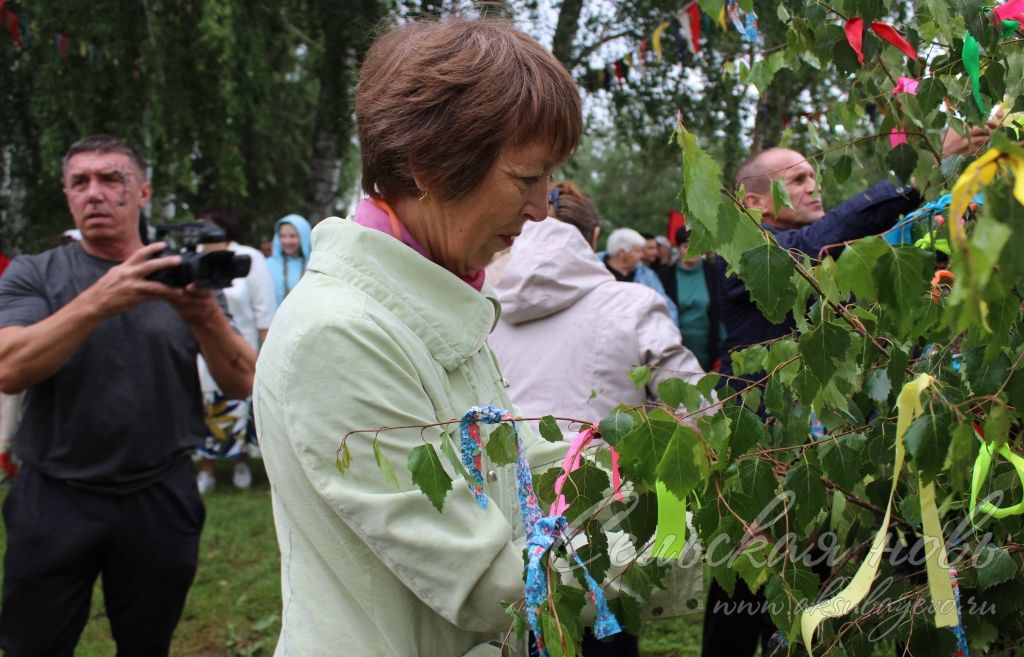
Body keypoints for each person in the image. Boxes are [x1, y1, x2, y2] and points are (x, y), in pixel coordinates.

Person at [253, 17, 581, 657]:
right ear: (428, 166)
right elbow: (490, 586)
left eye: (551, 180)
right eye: (525, 179)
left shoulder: (429, 297)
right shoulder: (341, 336)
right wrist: (671, 530)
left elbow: (501, 465)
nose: (543, 208)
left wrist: (636, 461)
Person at [0, 134, 256, 656]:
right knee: (33, 645)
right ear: (68, 194)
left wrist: (204, 315)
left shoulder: (182, 275)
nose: (94, 193)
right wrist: (98, 301)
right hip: (55, 493)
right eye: (80, 182)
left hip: (158, 491)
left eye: (111, 179)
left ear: (143, 193)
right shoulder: (37, 272)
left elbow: (244, 379)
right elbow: (9, 368)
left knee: (147, 644)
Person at [194, 209, 276, 493]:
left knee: (239, 406)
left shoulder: (247, 258)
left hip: (242, 350)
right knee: (208, 407)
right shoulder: (192, 257)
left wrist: (267, 352)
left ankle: (240, 462)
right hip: (202, 353)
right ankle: (207, 468)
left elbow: (264, 310)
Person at [657, 226, 723, 372]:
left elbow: (721, 313)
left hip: (708, 347)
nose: (693, 251)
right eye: (687, 246)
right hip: (675, 346)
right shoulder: (665, 276)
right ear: (678, 248)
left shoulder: (713, 273)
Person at [603, 227, 679, 323]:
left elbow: (667, 308)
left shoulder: (647, 276)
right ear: (622, 253)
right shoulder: (595, 272)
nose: (641, 255)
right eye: (637, 251)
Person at [266, 213, 311, 306]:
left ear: (304, 237)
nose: (287, 241)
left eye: (292, 236)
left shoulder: (314, 265)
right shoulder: (267, 265)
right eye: (282, 236)